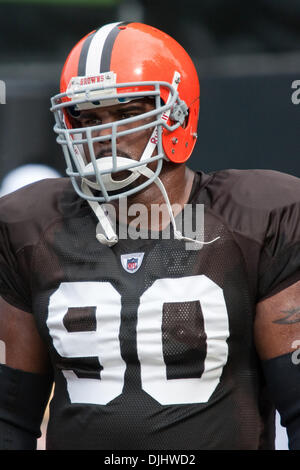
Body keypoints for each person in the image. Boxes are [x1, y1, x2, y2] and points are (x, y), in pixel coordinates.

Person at [0, 21, 299, 451]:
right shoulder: (27, 227)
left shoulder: (259, 219)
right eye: (87, 117)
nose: (103, 134)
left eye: (125, 113)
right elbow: (10, 415)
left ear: (176, 115)